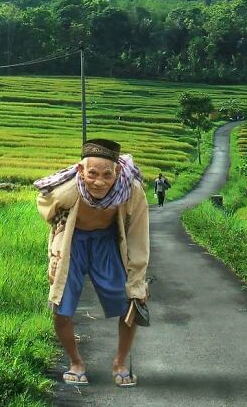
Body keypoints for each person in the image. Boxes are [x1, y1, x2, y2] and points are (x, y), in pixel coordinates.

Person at [34, 138, 150, 388]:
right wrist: (59, 224)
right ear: (80, 170)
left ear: (117, 172)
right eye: (92, 173)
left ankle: (119, 363)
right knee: (61, 305)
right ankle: (76, 363)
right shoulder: (69, 190)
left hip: (107, 243)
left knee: (130, 302)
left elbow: (139, 236)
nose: (99, 182)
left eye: (107, 175)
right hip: (72, 244)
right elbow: (44, 204)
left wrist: (138, 280)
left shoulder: (131, 191)